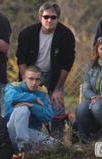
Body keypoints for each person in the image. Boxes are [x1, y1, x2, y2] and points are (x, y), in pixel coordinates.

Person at [16, 2, 75, 137]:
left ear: (58, 18)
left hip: (55, 75)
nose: (49, 20)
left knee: (57, 107)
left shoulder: (66, 34)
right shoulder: (27, 33)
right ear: (40, 17)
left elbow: (67, 64)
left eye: (53, 17)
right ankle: (29, 142)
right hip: (31, 75)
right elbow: (21, 59)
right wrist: (26, 81)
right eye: (46, 17)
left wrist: (58, 89)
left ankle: (57, 144)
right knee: (28, 107)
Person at [4, 65, 54, 151]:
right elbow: (10, 97)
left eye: (37, 79)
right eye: (31, 79)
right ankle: (23, 147)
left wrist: (32, 106)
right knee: (23, 109)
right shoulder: (14, 87)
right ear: (24, 78)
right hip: (11, 132)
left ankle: (27, 150)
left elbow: (49, 116)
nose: (34, 83)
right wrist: (33, 98)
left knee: (54, 145)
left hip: (31, 132)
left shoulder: (42, 93)